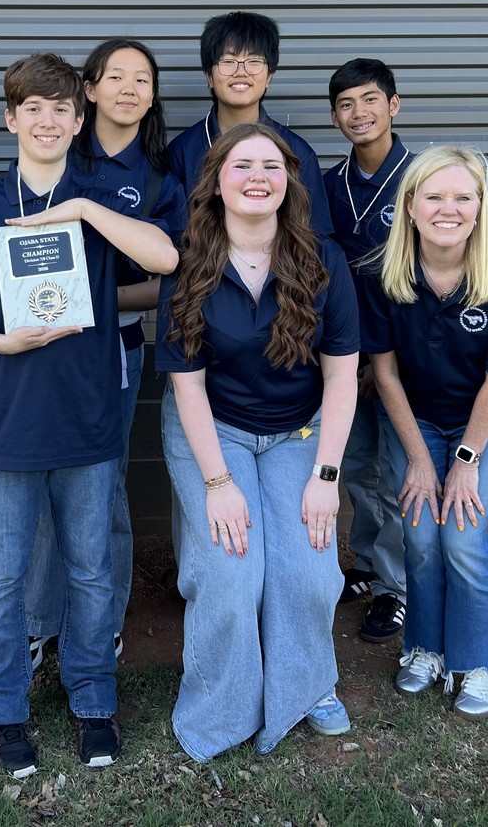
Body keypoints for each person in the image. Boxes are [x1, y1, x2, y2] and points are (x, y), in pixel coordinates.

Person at [0, 53, 178, 777]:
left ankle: (94, 699)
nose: (49, 120)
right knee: (3, 574)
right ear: (12, 118)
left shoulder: (99, 197)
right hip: (6, 421)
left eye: (63, 109)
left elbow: (164, 257)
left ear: (79, 118)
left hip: (88, 416)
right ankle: (3, 710)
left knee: (91, 569)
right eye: (34, 108)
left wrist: (87, 211)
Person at [157, 123, 359, 761]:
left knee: (307, 569)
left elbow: (343, 375)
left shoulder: (322, 260)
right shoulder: (186, 260)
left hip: (298, 432)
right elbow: (187, 388)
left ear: (288, 183)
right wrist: (218, 486)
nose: (257, 177)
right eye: (241, 165)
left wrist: (326, 477)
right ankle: (222, 704)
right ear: (217, 182)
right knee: (230, 569)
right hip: (211, 429)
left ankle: (306, 685)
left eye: (271, 166)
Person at [360, 144, 488, 719]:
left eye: (463, 197)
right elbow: (383, 374)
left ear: (480, 206)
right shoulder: (380, 275)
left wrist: (463, 462)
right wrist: (419, 459)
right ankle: (424, 649)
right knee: (418, 533)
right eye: (435, 196)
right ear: (410, 205)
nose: (449, 208)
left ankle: (485, 662)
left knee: (461, 534)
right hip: (416, 419)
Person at [23, 38, 187, 668]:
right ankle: (40, 622)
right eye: (113, 76)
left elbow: (170, 274)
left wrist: (92, 298)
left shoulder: (156, 180)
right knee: (39, 483)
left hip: (114, 349)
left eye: (141, 79)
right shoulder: (56, 155)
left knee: (104, 485)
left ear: (152, 95)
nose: (128, 87)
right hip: (35, 350)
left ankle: (104, 618)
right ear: (86, 92)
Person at [323, 58, 412, 643]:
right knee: (354, 464)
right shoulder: (328, 185)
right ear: (335, 115)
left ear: (394, 105)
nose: (360, 113)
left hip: (405, 357)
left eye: (371, 100)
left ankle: (397, 586)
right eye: (347, 104)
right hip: (346, 354)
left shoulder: (420, 177)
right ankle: (365, 562)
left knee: (397, 475)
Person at [167, 11, 332, 238]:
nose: (241, 72)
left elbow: (317, 239)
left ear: (269, 76)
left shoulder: (297, 151)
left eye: (254, 61)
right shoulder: (181, 152)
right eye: (228, 61)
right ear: (208, 75)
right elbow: (172, 238)